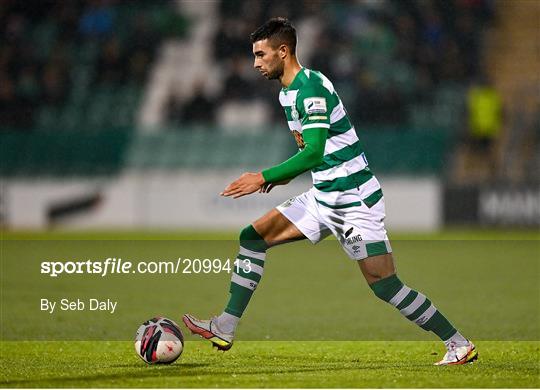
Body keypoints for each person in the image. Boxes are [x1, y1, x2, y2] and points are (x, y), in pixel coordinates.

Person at [183, 17, 477, 366]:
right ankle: (226, 325)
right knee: (252, 237)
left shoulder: (310, 89)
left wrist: (263, 176)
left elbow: (315, 151)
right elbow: (312, 152)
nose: (255, 63)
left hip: (353, 199)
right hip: (323, 195)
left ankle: (458, 344)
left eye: (261, 55)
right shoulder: (287, 92)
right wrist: (282, 178)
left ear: (283, 51)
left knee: (385, 285)